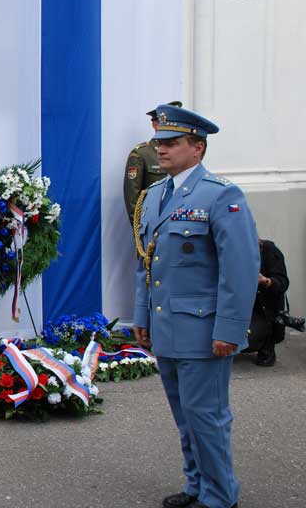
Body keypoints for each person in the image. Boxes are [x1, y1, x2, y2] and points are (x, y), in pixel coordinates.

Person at [132, 104, 259, 508]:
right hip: (167, 326)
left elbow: (239, 269)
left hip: (204, 332)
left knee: (207, 417)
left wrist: (230, 329)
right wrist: (141, 316)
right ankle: (196, 486)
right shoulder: (155, 195)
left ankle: (220, 496)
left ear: (197, 148)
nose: (161, 150)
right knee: (185, 418)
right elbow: (146, 263)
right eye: (159, 143)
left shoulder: (220, 195)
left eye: (172, 143)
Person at [123, 101, 182, 226]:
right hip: (153, 225)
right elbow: (133, 198)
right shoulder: (142, 154)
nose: (171, 130)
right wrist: (141, 230)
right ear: (155, 125)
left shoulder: (184, 153)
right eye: (165, 124)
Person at [244, 238, 289, 366]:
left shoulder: (268, 250)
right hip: (240, 305)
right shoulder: (227, 252)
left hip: (262, 308)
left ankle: (267, 343)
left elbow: (282, 283)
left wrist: (265, 281)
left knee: (250, 339)